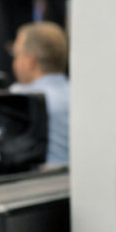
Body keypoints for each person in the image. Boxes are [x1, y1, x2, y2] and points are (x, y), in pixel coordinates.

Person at [9, 21, 71, 168]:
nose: (14, 62)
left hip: (37, 183)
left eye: (16, 55)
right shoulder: (78, 96)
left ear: (30, 62)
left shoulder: (20, 96)